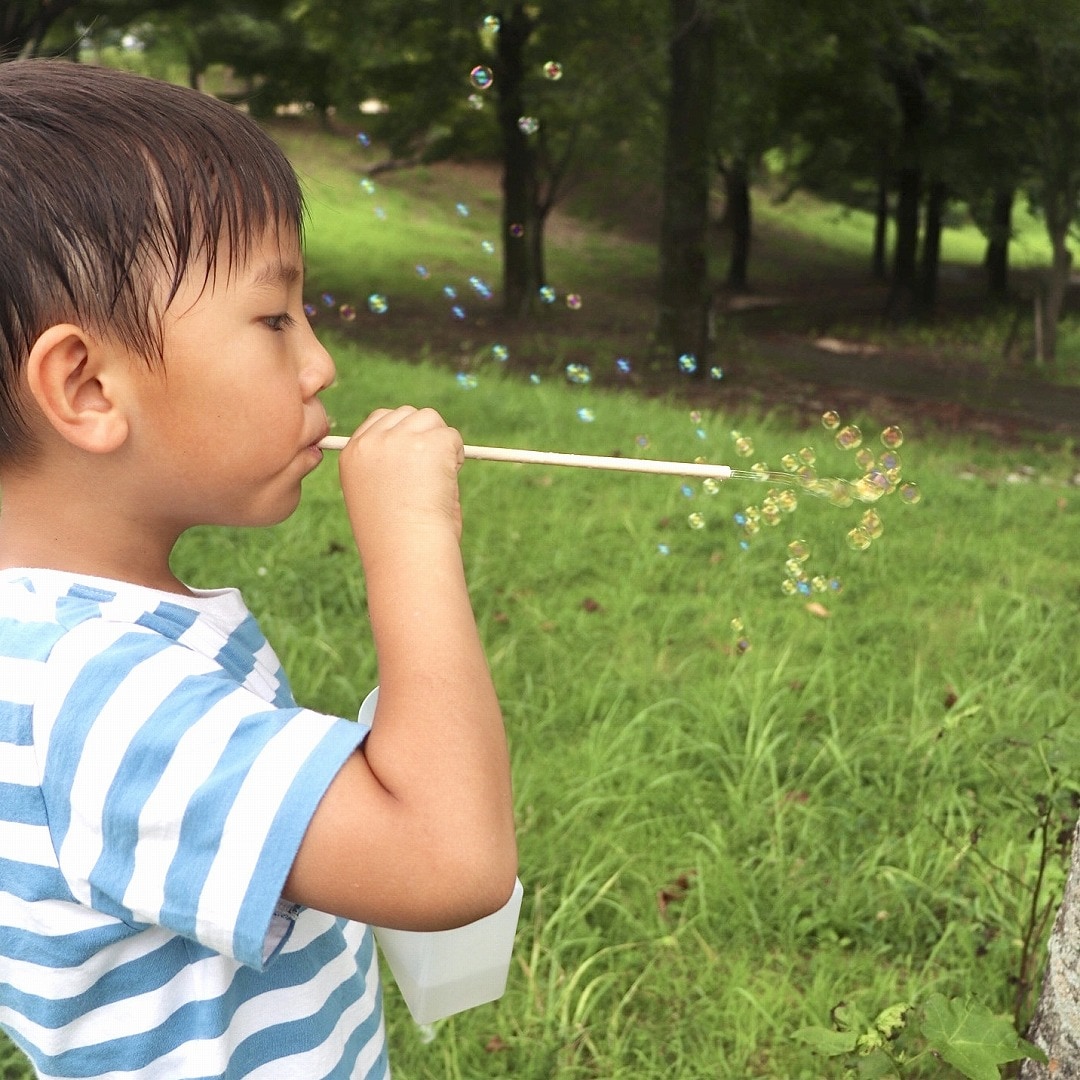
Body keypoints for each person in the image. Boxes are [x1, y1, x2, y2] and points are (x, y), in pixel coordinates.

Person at [0, 59, 517, 1079]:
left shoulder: (68, 646)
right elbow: (452, 860)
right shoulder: (98, 694)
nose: (319, 365)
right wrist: (411, 539)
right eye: (275, 320)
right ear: (89, 386)